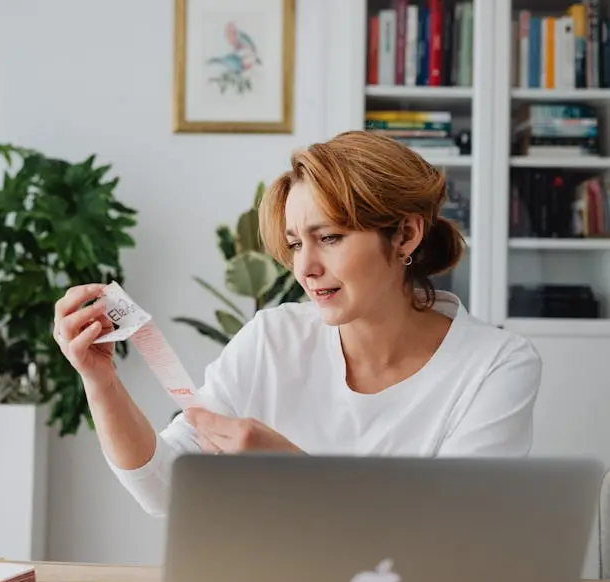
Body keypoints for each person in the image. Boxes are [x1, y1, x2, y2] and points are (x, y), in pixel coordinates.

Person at [52, 130, 542, 517]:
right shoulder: (273, 339)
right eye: (294, 244)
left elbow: (458, 534)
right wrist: (100, 381)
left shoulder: (495, 365)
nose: (303, 268)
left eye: (328, 237)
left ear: (406, 234)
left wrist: (294, 473)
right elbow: (165, 490)